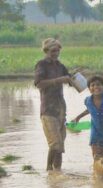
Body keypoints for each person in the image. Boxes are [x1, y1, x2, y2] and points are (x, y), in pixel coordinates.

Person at [34, 38, 72, 171]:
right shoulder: (42, 65)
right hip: (48, 109)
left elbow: (70, 79)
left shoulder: (60, 66)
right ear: (46, 51)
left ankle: (58, 172)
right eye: (53, 51)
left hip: (60, 108)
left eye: (57, 50)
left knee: (60, 145)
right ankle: (49, 169)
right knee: (55, 144)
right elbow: (39, 84)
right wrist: (58, 80)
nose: (56, 53)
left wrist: (75, 78)